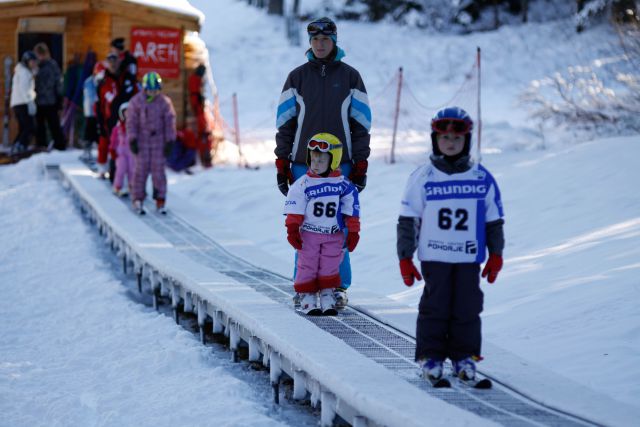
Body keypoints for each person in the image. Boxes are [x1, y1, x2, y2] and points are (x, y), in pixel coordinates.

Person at [396, 107, 505, 383]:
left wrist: (496, 254)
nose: (451, 143)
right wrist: (405, 257)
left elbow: (493, 220)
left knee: (468, 308)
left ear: (467, 140)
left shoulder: (481, 177)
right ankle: (430, 357)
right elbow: (408, 219)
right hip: (435, 256)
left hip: (469, 257)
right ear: (435, 139)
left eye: (457, 138)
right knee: (436, 307)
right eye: (444, 137)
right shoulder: (423, 177)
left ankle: (464, 357)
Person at [275, 17, 372, 309]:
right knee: (305, 226)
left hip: (340, 166)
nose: (319, 45)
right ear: (309, 42)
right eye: (315, 40)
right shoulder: (297, 77)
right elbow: (285, 123)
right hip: (305, 163)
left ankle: (338, 286)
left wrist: (361, 161)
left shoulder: (351, 77)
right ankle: (304, 285)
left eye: (325, 40)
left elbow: (361, 124)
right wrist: (282, 161)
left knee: (337, 227)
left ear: (334, 41)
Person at [284, 133, 360, 315]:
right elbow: (295, 208)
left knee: (330, 264)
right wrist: (292, 229)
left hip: (333, 235)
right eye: (313, 159)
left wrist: (353, 232)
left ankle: (327, 293)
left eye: (321, 160)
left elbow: (351, 211)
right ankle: (307, 294)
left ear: (333, 160)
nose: (315, 164)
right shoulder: (303, 184)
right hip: (309, 234)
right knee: (307, 264)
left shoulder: (344, 185)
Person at [127, 71, 176, 215]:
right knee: (140, 172)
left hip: (158, 142)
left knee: (158, 172)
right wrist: (133, 139)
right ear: (145, 88)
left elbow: (169, 121)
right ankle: (138, 198)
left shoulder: (164, 102)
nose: (153, 93)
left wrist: (170, 140)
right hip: (142, 142)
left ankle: (160, 199)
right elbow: (131, 122)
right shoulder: (136, 102)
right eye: (150, 90)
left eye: (155, 90)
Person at [33, 43, 65, 151]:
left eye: (41, 54)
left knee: (54, 124)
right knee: (40, 125)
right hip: (38, 101)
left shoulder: (52, 65)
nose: (40, 57)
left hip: (50, 100)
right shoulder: (34, 66)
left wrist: (59, 99)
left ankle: (60, 145)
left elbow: (58, 82)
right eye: (38, 54)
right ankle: (41, 145)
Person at [96, 53, 120, 178]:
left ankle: (115, 169)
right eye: (110, 62)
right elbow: (99, 99)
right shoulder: (103, 79)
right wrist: (99, 116)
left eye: (115, 62)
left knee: (117, 143)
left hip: (118, 115)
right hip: (106, 116)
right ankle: (101, 168)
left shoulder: (121, 77)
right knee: (104, 141)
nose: (113, 65)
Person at [9, 51, 38, 153]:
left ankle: (16, 146)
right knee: (29, 127)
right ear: (26, 61)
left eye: (35, 62)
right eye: (32, 61)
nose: (34, 64)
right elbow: (24, 89)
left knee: (23, 127)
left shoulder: (21, 71)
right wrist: (30, 102)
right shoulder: (24, 72)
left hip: (17, 103)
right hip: (22, 103)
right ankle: (20, 146)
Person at [109, 37, 138, 132]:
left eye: (113, 49)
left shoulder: (129, 59)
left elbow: (131, 76)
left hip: (127, 92)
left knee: (120, 110)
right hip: (120, 91)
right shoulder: (117, 59)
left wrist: (127, 89)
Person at [188, 64, 212, 167]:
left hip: (199, 109)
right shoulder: (195, 79)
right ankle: (205, 160)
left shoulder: (195, 79)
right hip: (199, 109)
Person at [109, 102, 134, 197]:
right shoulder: (118, 127)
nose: (127, 114)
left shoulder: (135, 127)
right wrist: (112, 149)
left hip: (132, 153)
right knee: (120, 170)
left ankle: (133, 187)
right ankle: (117, 186)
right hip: (121, 153)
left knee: (132, 170)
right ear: (121, 113)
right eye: (125, 112)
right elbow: (113, 140)